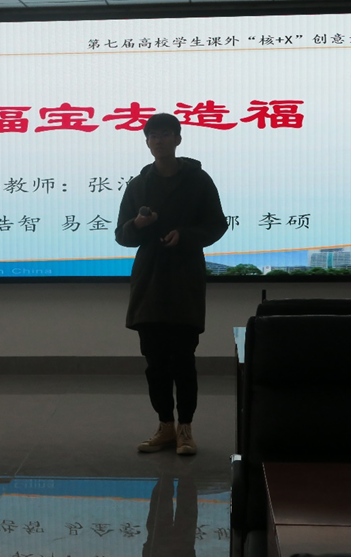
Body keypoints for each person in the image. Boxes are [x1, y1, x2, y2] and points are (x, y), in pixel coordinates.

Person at [115, 113, 228, 455]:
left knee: (183, 360)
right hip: (149, 279)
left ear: (178, 139)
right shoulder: (138, 184)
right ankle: (164, 426)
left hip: (184, 277)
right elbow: (122, 235)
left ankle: (185, 429)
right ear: (147, 142)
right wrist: (138, 223)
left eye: (165, 134)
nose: (159, 140)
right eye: (153, 135)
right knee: (155, 362)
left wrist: (186, 235)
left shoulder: (198, 180)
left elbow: (217, 224)